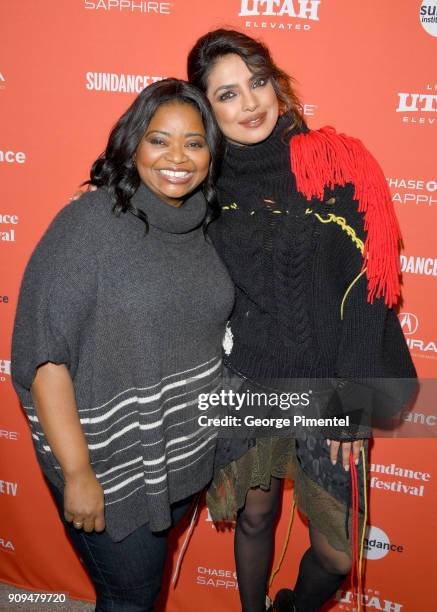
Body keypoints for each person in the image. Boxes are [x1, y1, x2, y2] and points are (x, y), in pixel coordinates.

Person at [186, 29, 417, 612]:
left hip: (328, 384)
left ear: (278, 84)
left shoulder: (338, 163)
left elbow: (372, 287)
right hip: (246, 382)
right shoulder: (200, 184)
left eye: (258, 82)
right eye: (228, 94)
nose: (252, 103)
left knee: (339, 552)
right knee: (255, 518)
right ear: (205, 108)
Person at [11, 78, 234, 612]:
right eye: (160, 140)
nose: (178, 157)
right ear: (132, 145)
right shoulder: (90, 225)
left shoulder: (199, 225)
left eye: (194, 142)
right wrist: (79, 474)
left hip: (180, 459)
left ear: (211, 153)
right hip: (108, 470)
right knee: (130, 598)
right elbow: (44, 358)